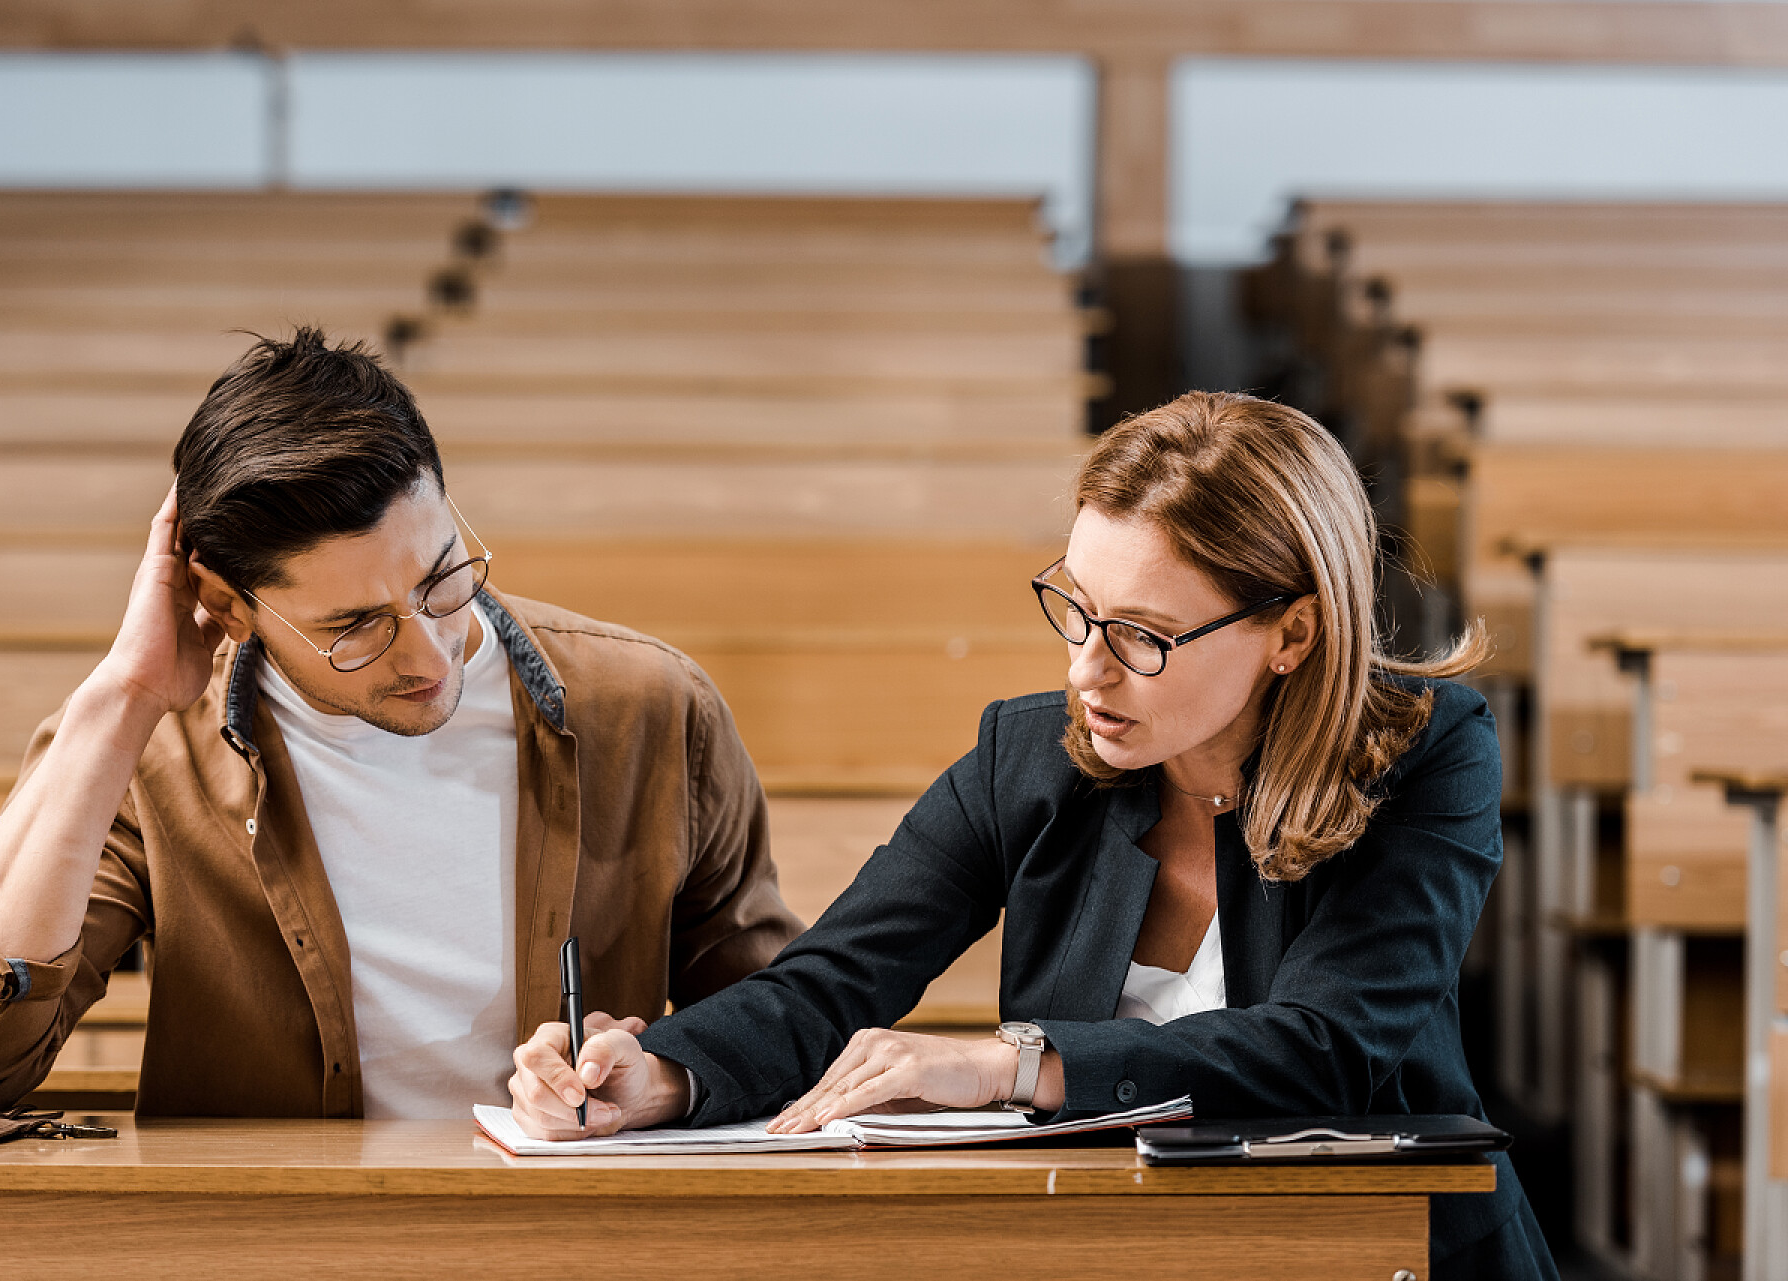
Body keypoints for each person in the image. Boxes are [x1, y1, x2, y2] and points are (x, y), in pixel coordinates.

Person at [507, 391, 1557, 1279]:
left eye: (1142, 635)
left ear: (1293, 633)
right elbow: (828, 983)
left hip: (1396, 1251)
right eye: (1077, 609)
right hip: (1109, 1251)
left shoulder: (1428, 754)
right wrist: (662, 1075)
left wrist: (1012, 1064)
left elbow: (1327, 1052)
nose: (1085, 671)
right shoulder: (1030, 755)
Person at [0, 327, 801, 1118]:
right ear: (226, 601)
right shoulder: (148, 753)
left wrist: (666, 1072)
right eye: (354, 627)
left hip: (571, 1239)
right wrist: (123, 699)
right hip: (281, 1246)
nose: (431, 653)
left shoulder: (653, 710)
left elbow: (786, 1032)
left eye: (442, 578)